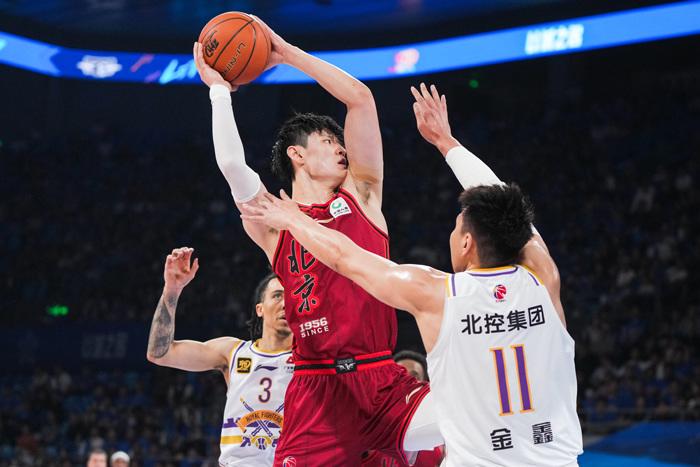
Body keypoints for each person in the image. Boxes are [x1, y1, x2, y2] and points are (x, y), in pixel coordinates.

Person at [241, 84, 583, 466]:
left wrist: (294, 220)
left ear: (466, 243)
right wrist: (448, 144)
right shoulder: (543, 278)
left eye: (456, 227)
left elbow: (345, 258)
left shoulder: (434, 291)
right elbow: (506, 206)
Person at [194, 18, 439, 466]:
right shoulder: (274, 221)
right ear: (298, 154)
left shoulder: (362, 195)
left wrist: (286, 52)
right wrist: (218, 92)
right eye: (328, 141)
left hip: (380, 377)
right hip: (315, 390)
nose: (342, 148)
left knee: (474, 423)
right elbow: (231, 166)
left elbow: (360, 99)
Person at [146, 247, 292, 466]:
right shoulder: (233, 352)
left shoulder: (312, 358)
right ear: (260, 309)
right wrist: (172, 289)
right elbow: (160, 353)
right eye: (277, 296)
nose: (285, 303)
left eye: (291, 296)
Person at [362, 351, 445, 467]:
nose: (407, 383)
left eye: (414, 377)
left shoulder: (442, 441)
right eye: (401, 376)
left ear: (425, 384)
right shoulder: (369, 429)